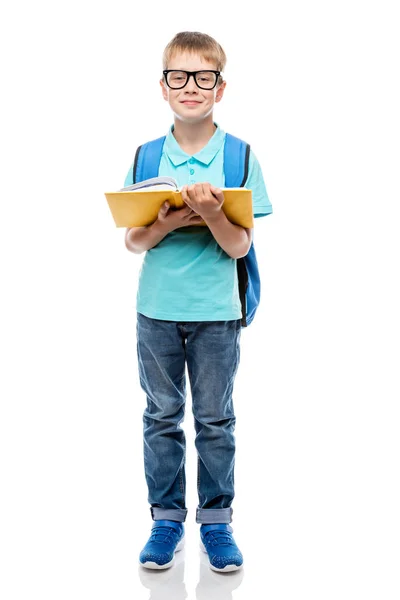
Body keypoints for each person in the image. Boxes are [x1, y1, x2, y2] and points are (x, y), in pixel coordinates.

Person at [124, 31, 272, 572]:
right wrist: (161, 225)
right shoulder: (144, 157)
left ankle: (216, 523)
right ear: (164, 87)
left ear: (220, 87)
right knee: (161, 415)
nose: (192, 87)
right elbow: (132, 241)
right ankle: (166, 520)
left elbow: (240, 244)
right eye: (180, 77)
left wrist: (212, 215)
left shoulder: (240, 157)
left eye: (203, 77)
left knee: (214, 419)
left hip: (217, 313)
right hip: (156, 308)